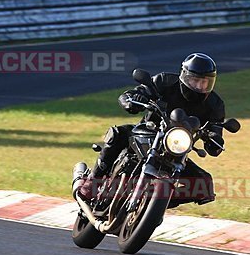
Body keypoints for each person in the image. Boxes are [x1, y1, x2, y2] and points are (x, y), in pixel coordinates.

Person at [74, 53, 226, 207]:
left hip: (176, 149)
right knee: (118, 134)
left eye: (205, 82)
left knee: (204, 185)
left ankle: (153, 203)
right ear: (185, 76)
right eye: (196, 81)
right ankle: (92, 182)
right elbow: (137, 92)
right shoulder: (165, 82)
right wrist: (132, 99)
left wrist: (214, 140)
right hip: (148, 133)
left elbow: (216, 132)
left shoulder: (215, 105)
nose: (200, 87)